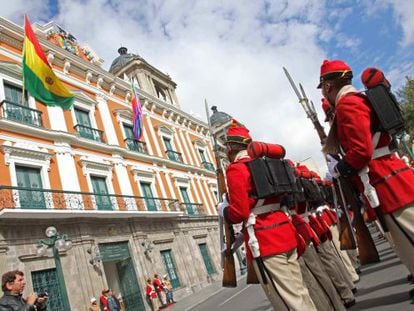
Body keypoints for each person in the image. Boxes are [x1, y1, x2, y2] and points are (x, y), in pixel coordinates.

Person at [318, 59, 414, 295]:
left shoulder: (348, 104)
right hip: (388, 174)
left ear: (328, 87)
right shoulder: (354, 100)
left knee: (408, 237)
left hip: (384, 178)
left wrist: (343, 168)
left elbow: (362, 150)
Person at [217, 119, 316, 311]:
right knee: (300, 292)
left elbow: (239, 213)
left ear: (230, 148)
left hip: (266, 239)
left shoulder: (236, 169)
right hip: (286, 232)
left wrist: (223, 209)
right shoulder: (268, 165)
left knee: (290, 301)